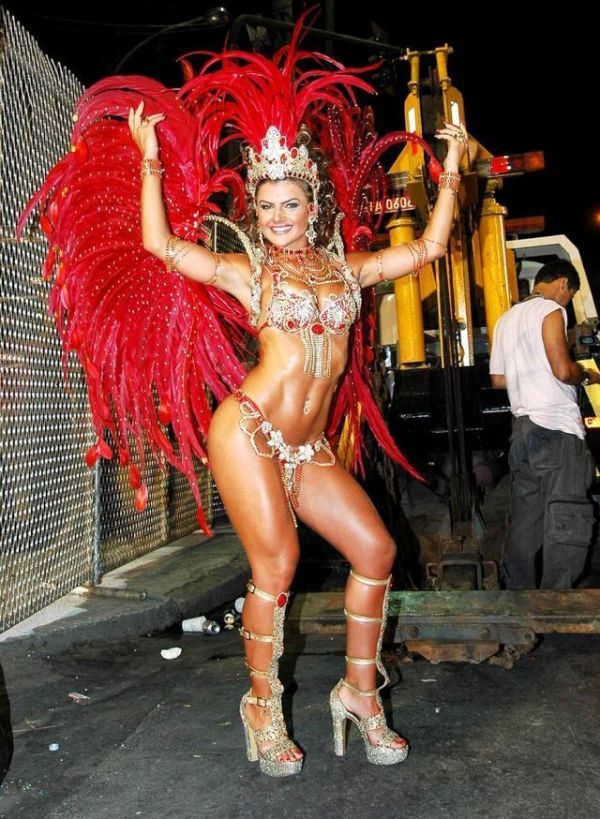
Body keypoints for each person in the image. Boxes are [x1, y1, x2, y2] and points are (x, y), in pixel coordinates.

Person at [24, 22, 467, 777]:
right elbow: (165, 248)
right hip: (251, 428)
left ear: (313, 201)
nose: (276, 217)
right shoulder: (249, 272)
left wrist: (453, 168)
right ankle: (262, 705)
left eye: (289, 204)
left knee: (376, 548)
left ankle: (360, 692)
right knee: (281, 562)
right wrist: (151, 166)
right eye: (266, 208)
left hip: (311, 447)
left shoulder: (349, 269)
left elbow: (425, 249)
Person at [489, 260, 598, 590]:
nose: (567, 302)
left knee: (527, 521)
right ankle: (556, 604)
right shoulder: (550, 310)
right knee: (565, 515)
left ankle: (521, 599)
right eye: (570, 294)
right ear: (563, 284)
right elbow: (563, 371)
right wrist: (587, 373)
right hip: (555, 429)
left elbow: (498, 380)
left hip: (522, 431)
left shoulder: (505, 320)